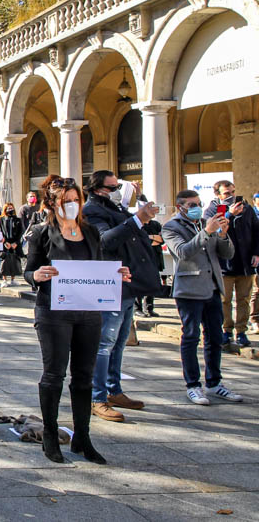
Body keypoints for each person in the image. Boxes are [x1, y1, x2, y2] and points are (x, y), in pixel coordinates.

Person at [24, 176, 130, 464]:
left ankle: (82, 436)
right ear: (51, 203)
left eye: (75, 200)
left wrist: (115, 275)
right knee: (54, 374)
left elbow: (96, 267)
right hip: (53, 312)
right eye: (66, 201)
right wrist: (35, 276)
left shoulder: (90, 232)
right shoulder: (41, 233)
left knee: (84, 376)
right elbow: (29, 269)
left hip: (88, 312)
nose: (72, 205)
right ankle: (50, 435)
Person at [82, 171, 161, 423]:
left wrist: (141, 207)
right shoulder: (93, 210)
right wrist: (137, 219)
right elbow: (106, 240)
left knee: (119, 342)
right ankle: (97, 397)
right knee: (105, 343)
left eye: (119, 186)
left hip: (128, 284)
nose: (117, 191)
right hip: (110, 283)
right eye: (112, 187)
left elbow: (138, 226)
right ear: (97, 189)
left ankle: (113, 389)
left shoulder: (116, 207)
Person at [162, 189, 244, 405]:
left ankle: (215, 382)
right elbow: (183, 252)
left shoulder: (207, 222)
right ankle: (193, 385)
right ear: (180, 207)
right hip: (189, 289)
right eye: (191, 205)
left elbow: (227, 254)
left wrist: (224, 235)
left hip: (213, 287)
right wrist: (207, 231)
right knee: (191, 336)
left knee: (215, 336)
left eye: (198, 203)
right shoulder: (171, 227)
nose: (196, 207)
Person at [203, 180, 259, 347]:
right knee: (225, 299)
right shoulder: (212, 210)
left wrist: (256, 253)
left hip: (244, 262)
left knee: (244, 299)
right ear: (218, 195)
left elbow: (256, 231)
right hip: (223, 264)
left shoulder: (246, 208)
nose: (231, 196)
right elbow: (211, 231)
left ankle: (241, 331)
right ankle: (226, 330)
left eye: (233, 192)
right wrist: (229, 214)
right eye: (227, 193)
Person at [0, 203, 24, 284]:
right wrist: (5, 242)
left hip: (14, 243)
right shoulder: (2, 219)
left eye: (11, 208)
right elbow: (0, 231)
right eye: (8, 209)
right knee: (4, 260)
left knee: (14, 260)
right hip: (5, 243)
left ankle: (13, 279)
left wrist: (16, 242)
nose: (10, 210)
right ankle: (4, 279)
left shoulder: (17, 219)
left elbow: (21, 232)